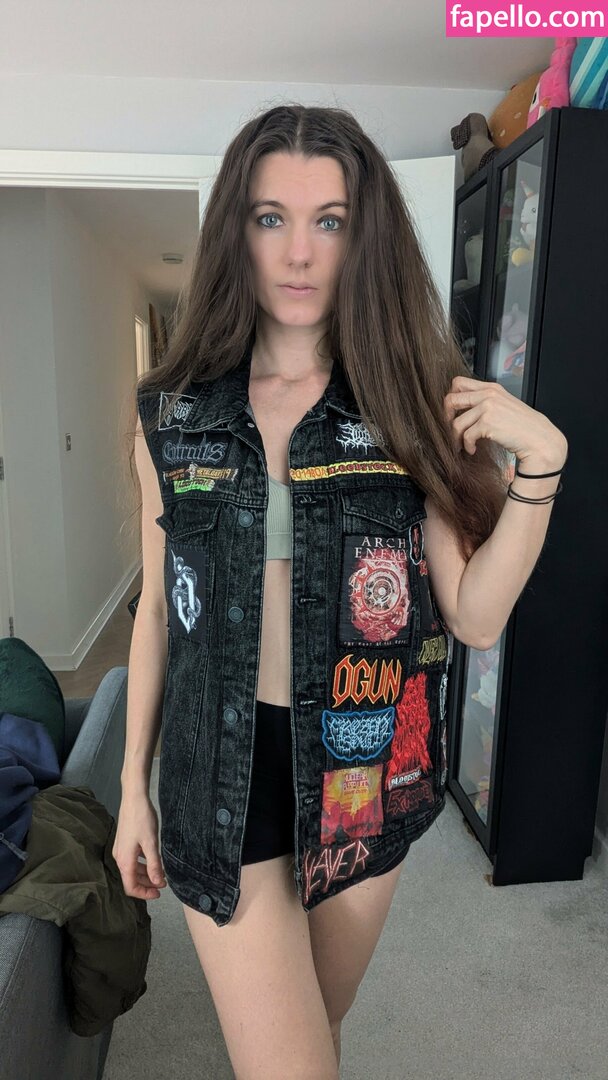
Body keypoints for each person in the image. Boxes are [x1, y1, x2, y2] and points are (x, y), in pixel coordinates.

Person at [113, 103, 568, 1079]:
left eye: (330, 220)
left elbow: (475, 614)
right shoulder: (171, 414)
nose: (298, 251)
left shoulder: (408, 406)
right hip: (216, 771)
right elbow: (158, 612)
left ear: (365, 240)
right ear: (235, 230)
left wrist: (541, 466)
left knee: (317, 1029)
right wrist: (128, 790)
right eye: (270, 217)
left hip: (365, 769)